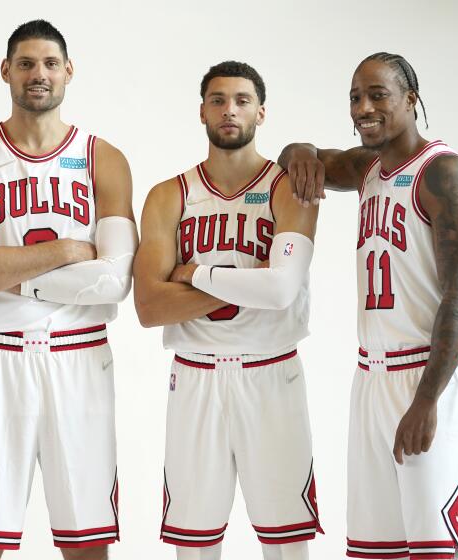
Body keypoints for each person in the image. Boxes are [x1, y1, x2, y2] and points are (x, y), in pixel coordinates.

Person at [0, 20, 137, 560]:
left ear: (69, 72)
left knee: (87, 542)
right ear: (6, 71)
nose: (37, 74)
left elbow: (113, 282)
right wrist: (65, 253)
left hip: (79, 359)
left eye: (49, 64)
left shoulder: (103, 158)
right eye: (25, 64)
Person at [279, 52, 458, 559]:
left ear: (411, 101)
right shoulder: (368, 167)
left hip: (429, 377)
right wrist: (301, 150)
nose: (363, 107)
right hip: (372, 378)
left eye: (378, 95)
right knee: (378, 549)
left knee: (442, 548)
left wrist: (425, 401)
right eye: (355, 97)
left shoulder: (445, 174)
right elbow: (299, 155)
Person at [134, 61, 322, 560]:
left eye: (241, 100)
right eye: (217, 100)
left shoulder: (290, 187)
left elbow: (281, 291)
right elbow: (150, 307)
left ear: (262, 111)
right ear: (201, 112)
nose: (229, 109)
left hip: (272, 374)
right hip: (196, 378)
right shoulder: (168, 194)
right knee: (194, 544)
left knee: (286, 542)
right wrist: (249, 281)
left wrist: (193, 274)